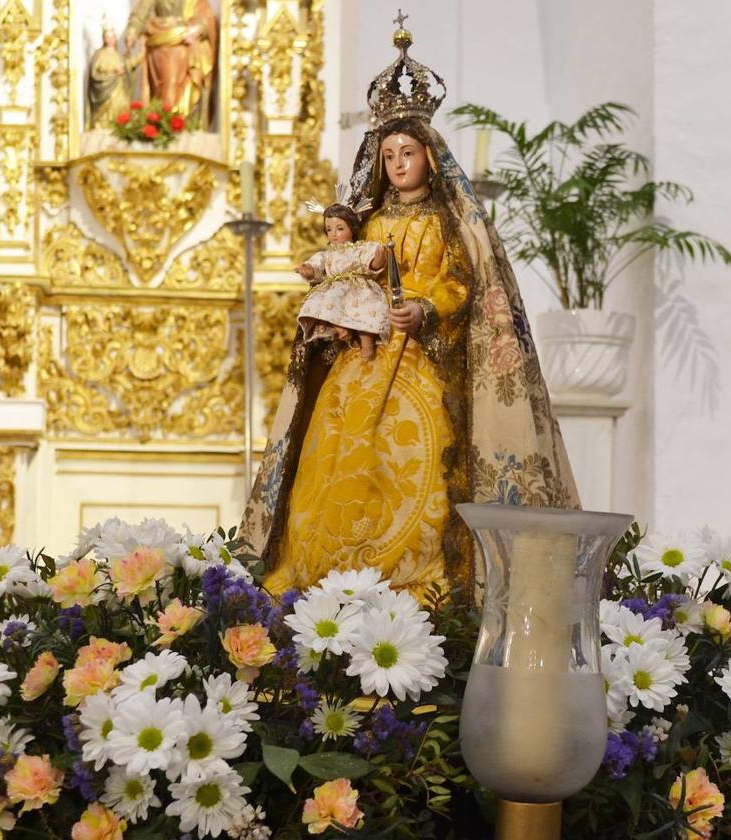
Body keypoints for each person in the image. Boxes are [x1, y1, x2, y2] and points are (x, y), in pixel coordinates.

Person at [243, 16, 578, 595]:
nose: (398, 163)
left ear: (429, 156)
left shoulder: (448, 222)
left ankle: (416, 586)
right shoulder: (368, 221)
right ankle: (327, 580)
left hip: (417, 359)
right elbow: (349, 269)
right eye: (390, 154)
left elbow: (461, 283)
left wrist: (424, 308)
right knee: (335, 455)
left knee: (416, 463)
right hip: (362, 359)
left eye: (409, 152)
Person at [295, 189, 390, 361]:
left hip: (359, 287)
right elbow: (318, 264)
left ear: (352, 229)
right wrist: (309, 269)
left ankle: (367, 342)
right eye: (329, 229)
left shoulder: (358, 248)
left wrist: (378, 260)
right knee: (324, 300)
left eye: (340, 228)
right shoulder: (328, 253)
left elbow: (369, 260)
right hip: (336, 288)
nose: (334, 234)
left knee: (365, 309)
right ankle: (340, 328)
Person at [124, 0, 218, 125]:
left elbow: (206, 16)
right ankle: (165, 125)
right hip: (160, 44)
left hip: (184, 44)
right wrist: (132, 31)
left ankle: (178, 124)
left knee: (179, 85)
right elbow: (140, 14)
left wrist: (199, 28)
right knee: (165, 86)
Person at [87, 27, 142, 130]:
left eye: (113, 37)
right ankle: (102, 126)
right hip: (105, 88)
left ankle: (118, 127)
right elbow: (95, 72)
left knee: (122, 104)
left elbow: (127, 66)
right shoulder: (99, 54)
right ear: (104, 39)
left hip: (119, 87)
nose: (111, 39)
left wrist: (138, 57)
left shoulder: (119, 55)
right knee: (107, 106)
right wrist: (112, 70)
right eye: (108, 37)